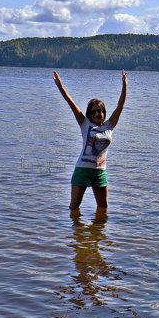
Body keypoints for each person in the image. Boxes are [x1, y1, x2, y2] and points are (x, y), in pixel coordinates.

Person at [53, 69, 127, 214]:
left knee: (103, 207)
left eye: (99, 111)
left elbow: (120, 106)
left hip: (100, 172)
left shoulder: (109, 125)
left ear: (104, 112)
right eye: (93, 111)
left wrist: (124, 85)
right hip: (82, 170)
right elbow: (71, 103)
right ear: (89, 114)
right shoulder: (85, 124)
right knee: (74, 207)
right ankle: (76, 235)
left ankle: (97, 235)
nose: (96, 113)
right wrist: (60, 86)